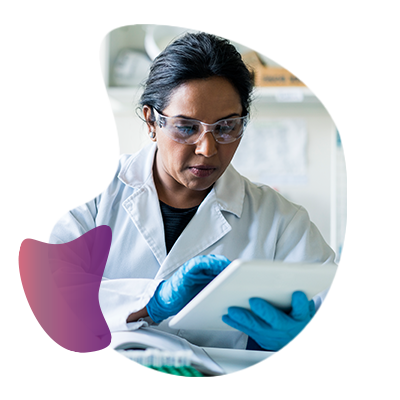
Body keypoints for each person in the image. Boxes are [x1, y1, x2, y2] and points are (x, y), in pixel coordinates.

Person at [48, 32, 347, 358]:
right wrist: (152, 300)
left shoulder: (278, 219)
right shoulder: (91, 188)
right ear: (151, 121)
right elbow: (36, 296)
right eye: (186, 127)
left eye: (226, 127)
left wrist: (318, 338)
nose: (207, 148)